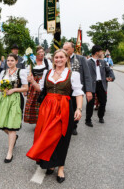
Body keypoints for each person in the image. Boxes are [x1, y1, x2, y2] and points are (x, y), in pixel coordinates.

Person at [26, 49, 84, 183]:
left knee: (62, 138)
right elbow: (41, 89)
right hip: (46, 108)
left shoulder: (72, 74)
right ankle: (50, 162)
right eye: (56, 57)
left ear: (66, 59)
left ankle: (61, 168)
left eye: (61, 57)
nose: (58, 59)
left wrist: (79, 109)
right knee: (47, 136)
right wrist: (32, 82)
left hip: (63, 108)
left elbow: (78, 92)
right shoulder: (47, 72)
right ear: (53, 59)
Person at [0, 53, 28, 163]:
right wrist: (2, 89)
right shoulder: (3, 72)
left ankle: (10, 152)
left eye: (12, 60)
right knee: (2, 124)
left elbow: (25, 88)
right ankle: (14, 137)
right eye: (8, 60)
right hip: (4, 99)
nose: (9, 62)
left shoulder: (21, 72)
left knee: (12, 126)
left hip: (16, 99)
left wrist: (13, 90)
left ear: (16, 61)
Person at [63, 42, 93, 135]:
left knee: (75, 107)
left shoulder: (81, 59)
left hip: (76, 89)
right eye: (64, 49)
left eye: (67, 49)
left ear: (72, 49)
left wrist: (88, 90)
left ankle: (74, 126)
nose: (65, 51)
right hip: (64, 88)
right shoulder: (62, 58)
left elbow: (87, 75)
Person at [85, 45, 115, 126]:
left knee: (103, 102)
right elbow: (84, 75)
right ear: (97, 53)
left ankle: (101, 116)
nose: (103, 53)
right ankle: (88, 120)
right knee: (90, 103)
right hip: (91, 85)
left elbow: (109, 71)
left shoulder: (103, 62)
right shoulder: (87, 63)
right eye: (102, 52)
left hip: (101, 84)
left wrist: (111, 77)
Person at [24, 46, 52, 124]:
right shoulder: (31, 63)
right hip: (34, 86)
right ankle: (38, 122)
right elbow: (27, 76)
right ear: (35, 54)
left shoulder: (47, 62)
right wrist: (25, 88)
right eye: (39, 52)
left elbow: (51, 73)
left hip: (45, 84)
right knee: (35, 103)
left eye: (42, 52)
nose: (41, 54)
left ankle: (45, 121)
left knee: (45, 103)